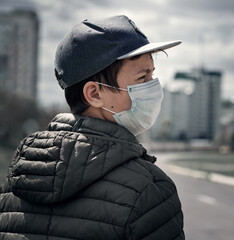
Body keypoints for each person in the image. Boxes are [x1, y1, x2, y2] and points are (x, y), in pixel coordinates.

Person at [0, 15, 184, 240]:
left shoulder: (17, 178)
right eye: (142, 77)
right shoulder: (149, 191)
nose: (154, 86)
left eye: (152, 74)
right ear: (94, 93)